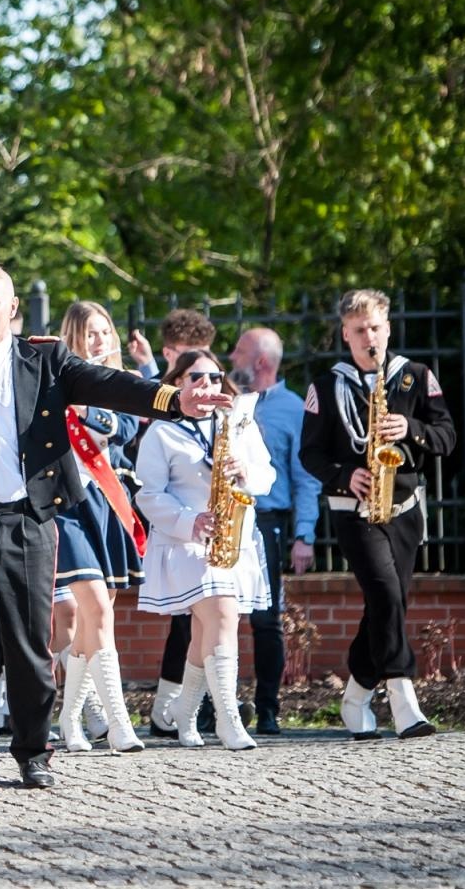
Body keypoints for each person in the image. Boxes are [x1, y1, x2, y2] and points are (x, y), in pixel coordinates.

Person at [0, 259, 229, 801]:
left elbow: (109, 385)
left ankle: (31, 749)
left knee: (30, 647)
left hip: (28, 522)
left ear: (11, 308)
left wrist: (173, 400)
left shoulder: (45, 358)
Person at [300, 289, 456, 740]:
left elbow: (447, 437)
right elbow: (310, 455)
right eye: (358, 330)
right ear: (345, 335)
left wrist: (411, 429)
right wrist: (344, 474)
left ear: (387, 328)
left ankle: (355, 696)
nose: (369, 337)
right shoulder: (327, 386)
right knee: (386, 592)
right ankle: (403, 699)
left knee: (387, 604)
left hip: (403, 507)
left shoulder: (414, 376)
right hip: (354, 509)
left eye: (375, 328)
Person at [135, 350, 274, 751]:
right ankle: (229, 719)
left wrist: (245, 473)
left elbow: (267, 474)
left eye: (215, 378)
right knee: (223, 614)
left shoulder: (236, 424)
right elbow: (148, 495)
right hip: (185, 543)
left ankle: (185, 710)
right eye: (197, 377)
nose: (208, 385)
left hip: (231, 538)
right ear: (177, 382)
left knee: (205, 631)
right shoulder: (162, 432)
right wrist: (188, 521)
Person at [50, 301, 146, 754]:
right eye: (90, 333)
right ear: (72, 336)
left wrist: (92, 408)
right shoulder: (56, 380)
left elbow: (124, 428)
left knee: (95, 620)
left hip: (108, 500)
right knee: (96, 612)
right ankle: (119, 724)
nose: (99, 341)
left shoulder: (119, 383)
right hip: (68, 505)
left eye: (105, 332)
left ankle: (70, 720)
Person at [228, 326, 323, 735]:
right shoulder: (225, 401)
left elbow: (306, 478)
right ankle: (217, 707)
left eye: (239, 352)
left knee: (266, 619)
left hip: (267, 522)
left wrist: (305, 535)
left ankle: (268, 708)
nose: (230, 358)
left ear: (260, 362)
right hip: (225, 517)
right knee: (217, 615)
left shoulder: (293, 409)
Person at [133, 308, 221, 736]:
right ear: (172, 358)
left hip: (213, 527)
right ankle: (173, 705)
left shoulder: (219, 411)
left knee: (203, 619)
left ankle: (185, 705)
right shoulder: (158, 398)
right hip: (167, 521)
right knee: (186, 619)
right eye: (189, 361)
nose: (202, 376)